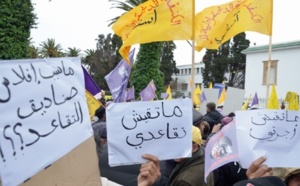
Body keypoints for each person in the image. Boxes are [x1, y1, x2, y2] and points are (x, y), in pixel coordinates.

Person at [138, 126, 214, 186]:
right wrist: (158, 179)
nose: (174, 150)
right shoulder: (200, 159)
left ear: (194, 147)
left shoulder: (184, 181)